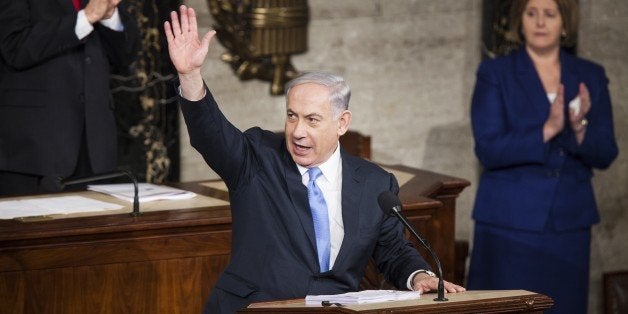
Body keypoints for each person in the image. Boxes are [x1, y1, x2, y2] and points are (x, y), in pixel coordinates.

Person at [164, 5, 465, 313]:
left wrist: (420, 276)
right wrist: (190, 76)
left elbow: (393, 251)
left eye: (312, 119)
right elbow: (210, 136)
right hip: (255, 308)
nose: (298, 131)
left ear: (342, 123)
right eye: (291, 116)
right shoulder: (257, 157)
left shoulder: (375, 184)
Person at [467, 0, 618, 313]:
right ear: (519, 21)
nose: (540, 22)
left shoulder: (589, 75)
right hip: (509, 223)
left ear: (565, 23)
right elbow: (488, 149)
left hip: (568, 225)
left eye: (550, 14)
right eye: (531, 13)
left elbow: (606, 153)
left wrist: (578, 131)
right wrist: (546, 130)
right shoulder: (496, 73)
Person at [0, 0, 139, 196]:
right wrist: (87, 17)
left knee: (95, 226)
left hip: (95, 148)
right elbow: (14, 47)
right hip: (34, 152)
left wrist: (109, 16)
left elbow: (126, 55)